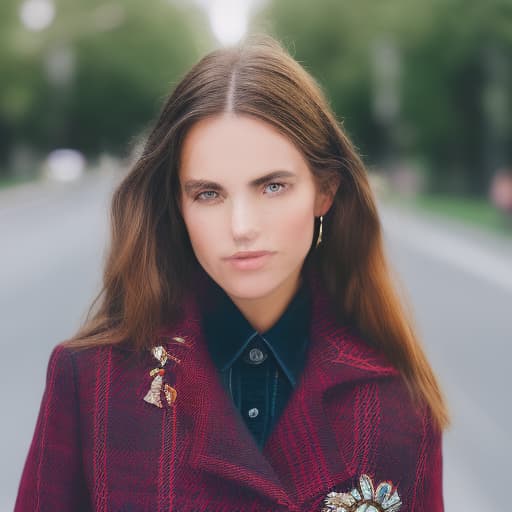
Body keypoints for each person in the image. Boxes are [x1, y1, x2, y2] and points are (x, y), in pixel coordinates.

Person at [14, 34, 449, 512]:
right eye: (208, 194)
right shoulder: (91, 382)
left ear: (325, 191)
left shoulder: (398, 402)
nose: (241, 227)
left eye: (272, 187)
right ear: (176, 205)